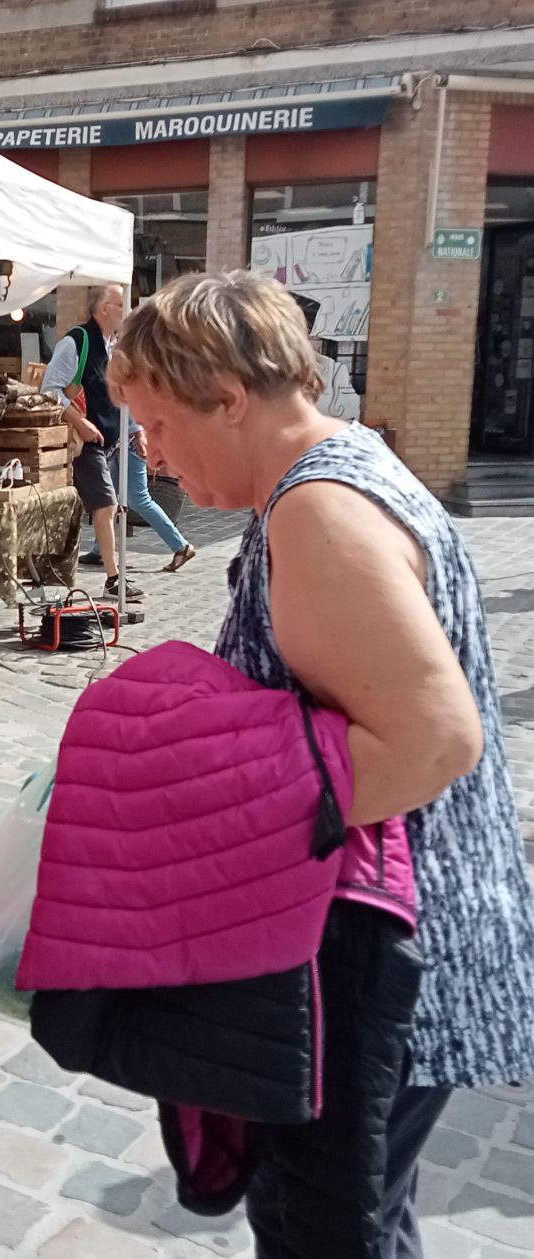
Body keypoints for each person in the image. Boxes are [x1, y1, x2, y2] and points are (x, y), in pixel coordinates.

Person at [107, 270, 534, 1259]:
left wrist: (248, 839)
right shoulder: (333, 475)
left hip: (375, 947)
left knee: (326, 1227)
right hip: (404, 924)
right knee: (357, 1211)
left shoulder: (319, 511)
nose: (151, 453)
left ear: (228, 395)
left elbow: (434, 739)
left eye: (160, 423)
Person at [45, 287, 180, 598]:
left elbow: (124, 396)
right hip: (83, 442)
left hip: (112, 441)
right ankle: (113, 579)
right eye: (122, 305)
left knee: (108, 505)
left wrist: (136, 431)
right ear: (104, 309)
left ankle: (64, 565)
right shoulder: (76, 342)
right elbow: (49, 389)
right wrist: (80, 421)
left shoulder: (116, 346)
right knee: (106, 506)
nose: (127, 311)